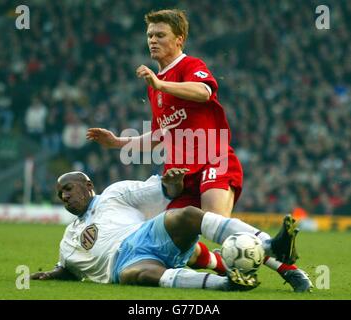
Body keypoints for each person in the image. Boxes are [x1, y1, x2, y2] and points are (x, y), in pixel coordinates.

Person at [86, 9, 312, 292]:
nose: (152, 41)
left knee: (215, 220)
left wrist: (160, 83)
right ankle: (241, 264)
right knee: (183, 246)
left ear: (179, 39)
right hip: (180, 176)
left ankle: (288, 266)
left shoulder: (189, 65)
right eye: (149, 36)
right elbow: (160, 134)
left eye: (160, 35)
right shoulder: (155, 87)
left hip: (211, 158)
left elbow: (204, 92)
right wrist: (118, 142)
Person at [31, 170, 300, 292]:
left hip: (148, 234)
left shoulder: (114, 194)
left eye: (68, 189)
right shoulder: (68, 240)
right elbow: (66, 270)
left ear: (87, 184)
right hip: (124, 264)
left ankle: (269, 245)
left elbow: (163, 191)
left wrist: (174, 185)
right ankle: (228, 284)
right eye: (60, 194)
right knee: (138, 275)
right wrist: (47, 275)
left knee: (186, 215)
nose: (64, 196)